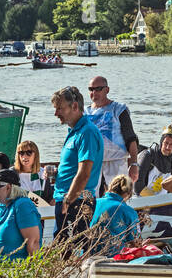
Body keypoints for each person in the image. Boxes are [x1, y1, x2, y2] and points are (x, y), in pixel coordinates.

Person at [52, 85, 103, 238]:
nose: (56, 113)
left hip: (77, 202)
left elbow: (84, 173)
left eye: (59, 108)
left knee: (69, 251)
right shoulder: (75, 131)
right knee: (62, 249)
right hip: (67, 199)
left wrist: (69, 199)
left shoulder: (86, 132)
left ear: (74, 106)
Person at [85, 76, 139, 190]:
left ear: (107, 90)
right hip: (92, 163)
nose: (94, 92)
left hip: (116, 163)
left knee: (120, 197)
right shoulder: (84, 113)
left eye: (98, 89)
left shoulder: (119, 109)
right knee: (89, 199)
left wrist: (134, 164)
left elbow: (130, 138)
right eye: (91, 89)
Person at [0, 169, 41, 260]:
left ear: (8, 187)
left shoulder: (22, 205)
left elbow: (33, 242)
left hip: (12, 269)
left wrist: (36, 271)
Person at [89, 175, 140, 256]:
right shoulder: (129, 211)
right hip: (113, 257)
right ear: (129, 193)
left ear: (110, 188)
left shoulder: (93, 203)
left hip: (88, 254)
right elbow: (134, 243)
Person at [135, 126, 172, 194]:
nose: (168, 147)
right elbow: (137, 184)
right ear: (161, 142)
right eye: (166, 143)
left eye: (171, 144)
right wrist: (153, 198)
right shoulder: (148, 156)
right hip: (141, 198)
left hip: (160, 199)